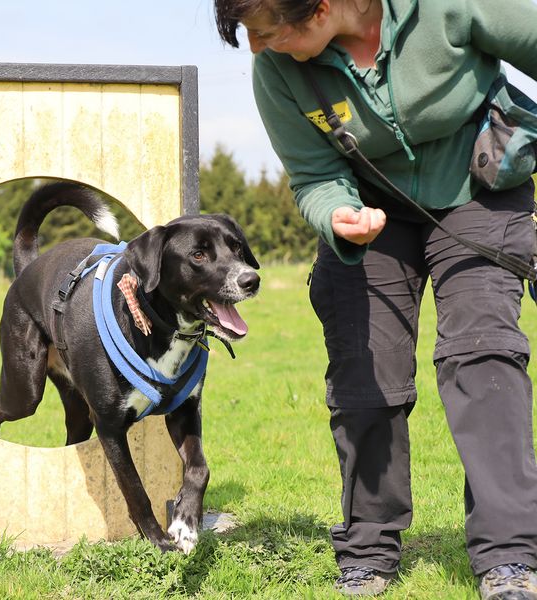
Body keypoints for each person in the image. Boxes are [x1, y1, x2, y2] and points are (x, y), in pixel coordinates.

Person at [213, 0, 537, 597]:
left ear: (321, 8)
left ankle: (510, 553)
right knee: (365, 371)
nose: (257, 49)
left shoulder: (449, 7)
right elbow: (312, 175)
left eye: (265, 31)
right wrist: (337, 215)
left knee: (482, 354)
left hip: (480, 187)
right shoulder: (279, 72)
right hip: (369, 210)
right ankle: (369, 548)